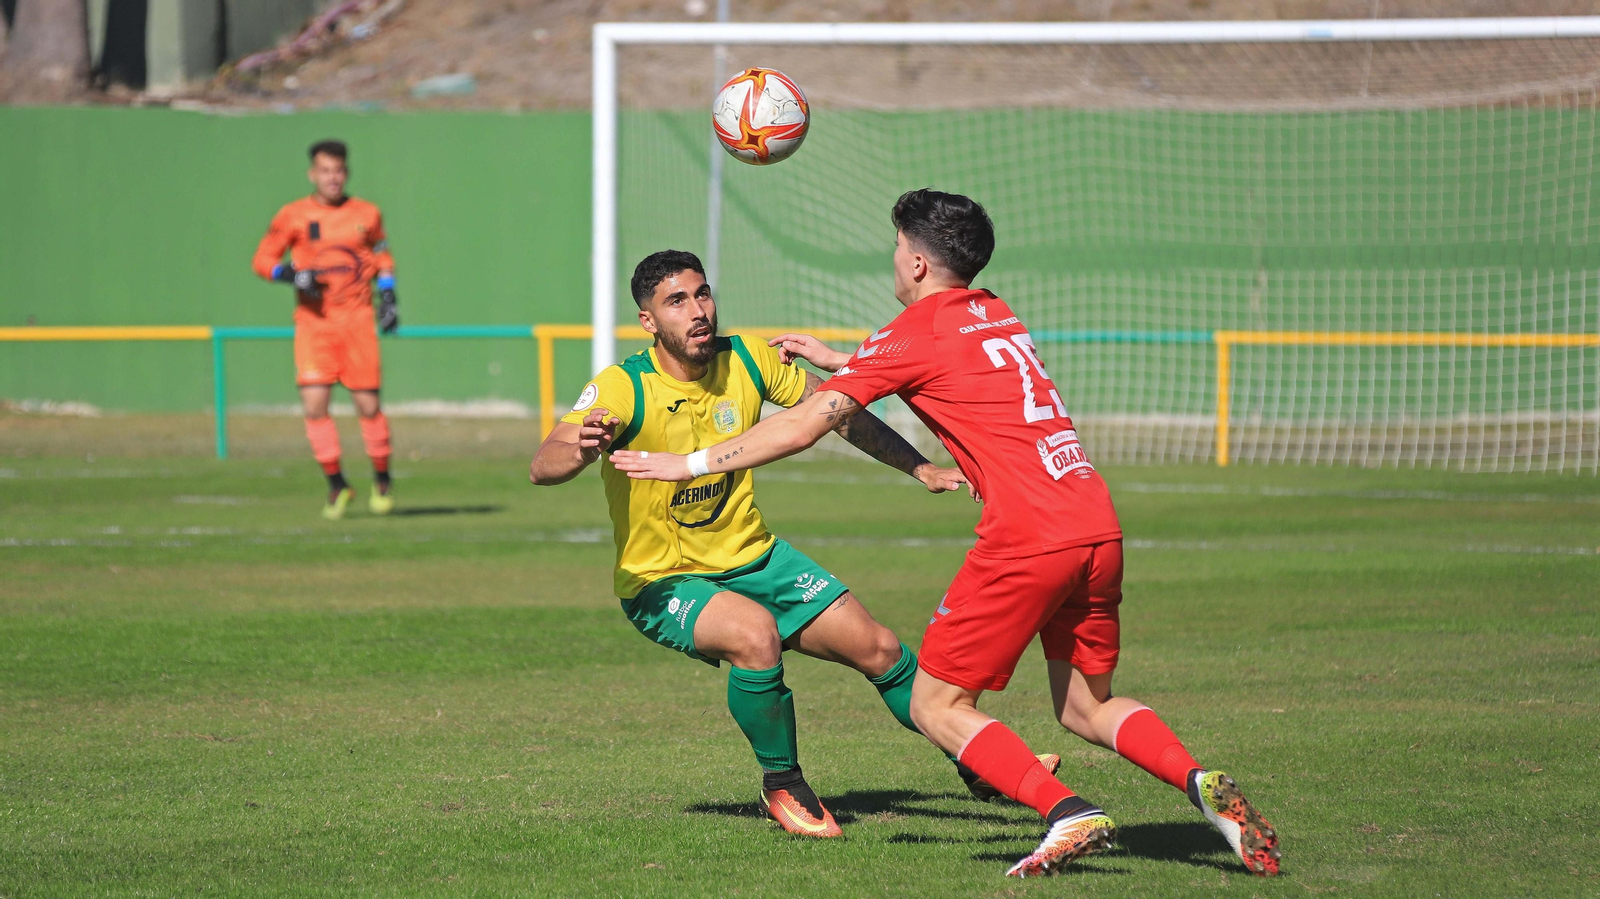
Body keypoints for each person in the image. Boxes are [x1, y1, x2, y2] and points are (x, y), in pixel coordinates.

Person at [611, 191, 1283, 877]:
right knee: (1087, 705)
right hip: (1094, 521)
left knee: (936, 703)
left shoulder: (914, 330)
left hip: (1029, 534)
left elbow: (805, 421)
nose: (895, 258)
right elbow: (941, 365)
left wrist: (685, 463)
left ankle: (1066, 813)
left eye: (900, 244)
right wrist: (843, 356)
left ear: (921, 262)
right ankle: (1201, 782)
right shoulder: (995, 312)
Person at [529, 250, 1056, 838]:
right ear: (648, 321)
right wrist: (581, 444)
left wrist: (921, 469)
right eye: (676, 302)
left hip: (757, 558)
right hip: (663, 581)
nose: (698, 311)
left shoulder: (749, 359)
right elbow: (543, 463)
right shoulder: (623, 386)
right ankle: (783, 784)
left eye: (702, 294)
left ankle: (983, 762)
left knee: (880, 648)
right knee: (754, 635)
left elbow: (838, 411)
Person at [252, 139, 401, 520]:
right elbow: (262, 260)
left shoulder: (366, 213)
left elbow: (383, 258)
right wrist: (290, 274)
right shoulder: (293, 215)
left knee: (368, 405)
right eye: (325, 171)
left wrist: (388, 297)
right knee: (314, 404)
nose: (332, 178)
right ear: (312, 174)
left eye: (338, 171)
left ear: (346, 173)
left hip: (356, 323)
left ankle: (382, 479)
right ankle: (337, 485)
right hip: (314, 325)